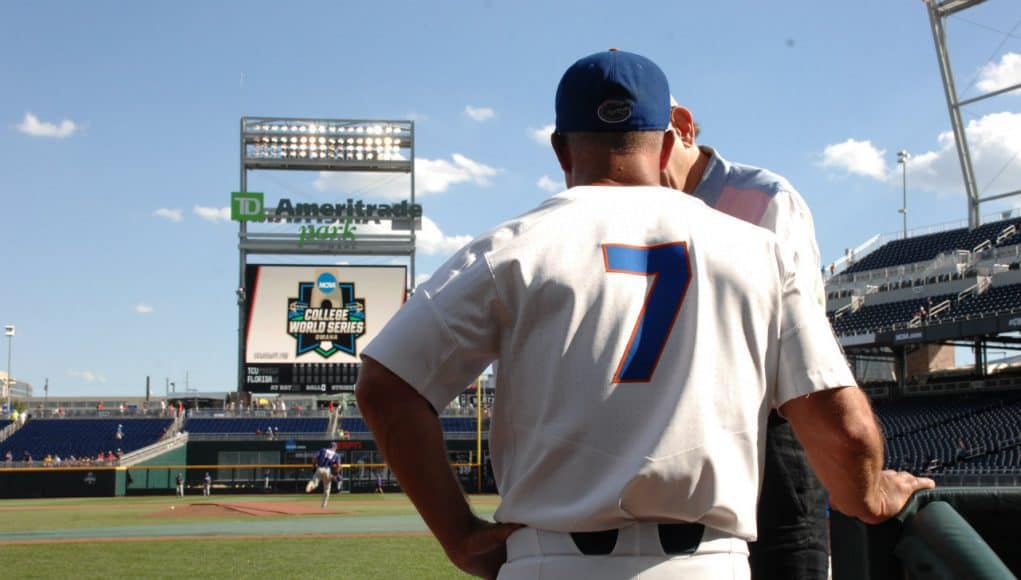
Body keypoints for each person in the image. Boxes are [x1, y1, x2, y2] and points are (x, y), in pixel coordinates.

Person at [355, 49, 935, 580]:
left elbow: (385, 385)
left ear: (561, 150)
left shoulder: (511, 246)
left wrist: (460, 538)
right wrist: (873, 496)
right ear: (665, 144)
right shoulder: (757, 249)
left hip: (549, 561)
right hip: (708, 564)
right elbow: (844, 430)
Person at [661, 96, 830, 579]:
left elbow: (796, 338)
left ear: (684, 128)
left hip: (773, 427)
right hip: (692, 435)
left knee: (787, 561)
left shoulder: (766, 198)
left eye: (653, 146)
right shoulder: (646, 208)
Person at [305, 442, 341, 508]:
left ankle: (310, 485)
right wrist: (336, 474)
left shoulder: (323, 450)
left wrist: (314, 465)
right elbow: (339, 466)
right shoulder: (336, 455)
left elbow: (314, 457)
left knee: (315, 483)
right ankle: (323, 506)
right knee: (327, 489)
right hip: (327, 471)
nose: (336, 449)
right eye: (336, 447)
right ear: (334, 447)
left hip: (319, 469)